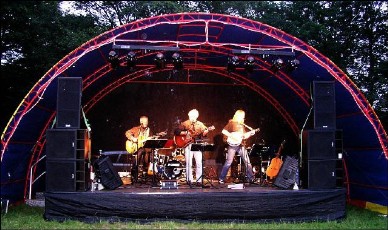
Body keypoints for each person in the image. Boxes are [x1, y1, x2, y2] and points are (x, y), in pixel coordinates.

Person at [219, 109, 257, 184]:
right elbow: (223, 131)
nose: (243, 118)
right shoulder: (232, 123)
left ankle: (251, 178)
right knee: (229, 162)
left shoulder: (242, 125)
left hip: (240, 145)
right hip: (232, 145)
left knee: (247, 161)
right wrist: (232, 137)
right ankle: (221, 178)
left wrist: (251, 133)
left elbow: (243, 136)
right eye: (242, 116)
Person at [174, 109, 209, 186]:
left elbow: (204, 134)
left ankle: (199, 180)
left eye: (194, 116)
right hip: (188, 145)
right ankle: (189, 179)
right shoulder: (185, 123)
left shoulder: (200, 124)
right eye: (191, 116)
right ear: (189, 116)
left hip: (197, 145)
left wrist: (205, 132)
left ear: (197, 116)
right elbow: (176, 131)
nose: (192, 117)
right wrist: (185, 132)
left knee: (199, 163)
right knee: (189, 163)